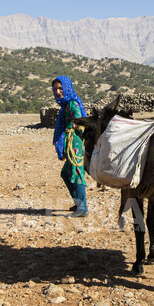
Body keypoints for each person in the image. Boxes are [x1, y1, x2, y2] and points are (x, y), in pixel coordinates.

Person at [52, 75, 88, 217]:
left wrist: (75, 123)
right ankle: (79, 204)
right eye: (55, 90)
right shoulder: (65, 105)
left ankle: (83, 209)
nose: (58, 92)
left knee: (76, 173)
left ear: (67, 88)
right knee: (65, 174)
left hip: (76, 144)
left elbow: (79, 117)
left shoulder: (72, 103)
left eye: (60, 88)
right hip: (70, 143)